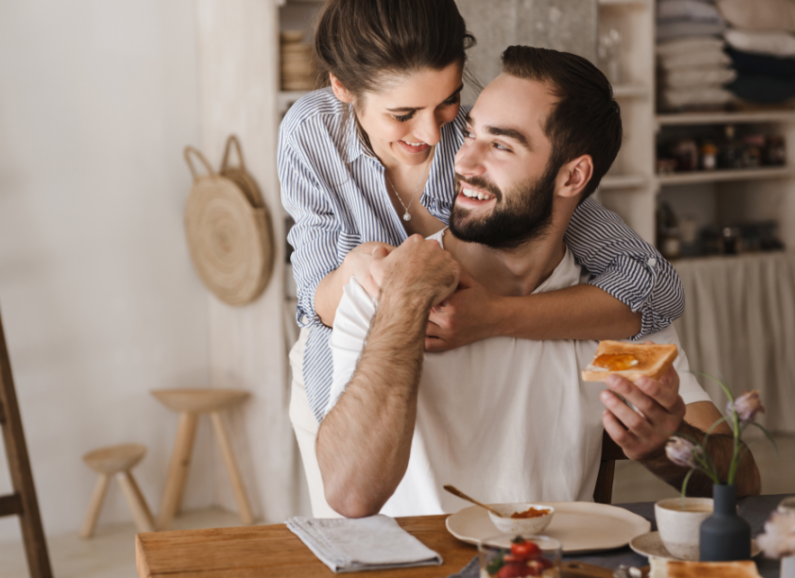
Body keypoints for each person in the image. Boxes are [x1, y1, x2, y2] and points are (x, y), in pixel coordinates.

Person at [300, 46, 760, 519]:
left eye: (500, 145)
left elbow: (741, 479)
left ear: (573, 176)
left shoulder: (608, 329)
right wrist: (404, 303)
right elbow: (351, 494)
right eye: (471, 134)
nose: (462, 162)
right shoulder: (388, 287)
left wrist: (669, 444)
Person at [278, 0, 685, 437]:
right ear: (342, 87)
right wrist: (349, 277)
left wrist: (496, 316)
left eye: (449, 102)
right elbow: (316, 305)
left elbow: (654, 285)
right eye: (402, 115)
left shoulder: (482, 144)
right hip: (359, 380)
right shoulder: (312, 133)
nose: (433, 135)